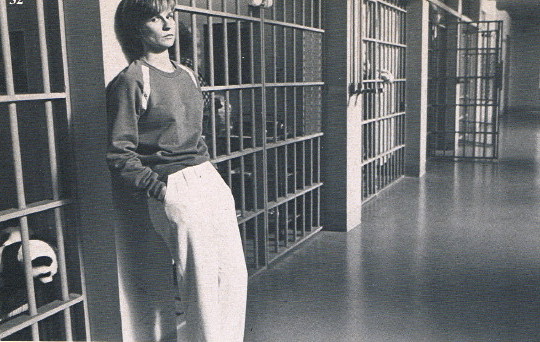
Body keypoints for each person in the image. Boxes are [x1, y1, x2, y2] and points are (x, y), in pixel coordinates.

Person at [107, 0, 248, 340]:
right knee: (200, 284)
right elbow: (118, 152)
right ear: (139, 28)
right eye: (156, 19)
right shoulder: (131, 80)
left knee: (232, 276)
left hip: (207, 178)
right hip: (173, 184)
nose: (167, 25)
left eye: (169, 16)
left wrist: (214, 180)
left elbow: (195, 133)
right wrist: (161, 191)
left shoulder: (187, 75)